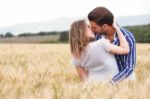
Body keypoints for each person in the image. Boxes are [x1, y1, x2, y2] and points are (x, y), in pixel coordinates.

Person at [88, 7, 136, 84]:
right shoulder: (95, 35)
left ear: (105, 26)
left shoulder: (128, 37)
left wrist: (111, 82)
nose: (91, 29)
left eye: (94, 27)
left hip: (124, 80)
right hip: (102, 79)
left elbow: (129, 68)